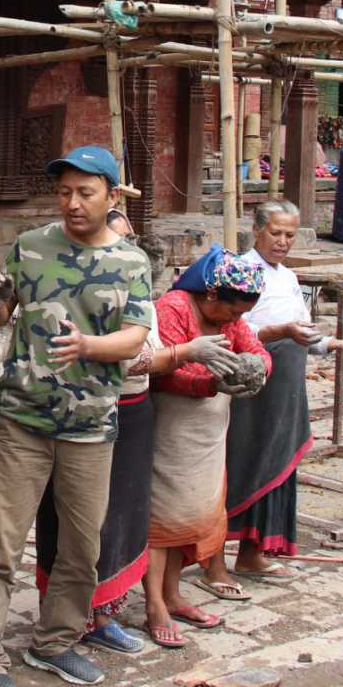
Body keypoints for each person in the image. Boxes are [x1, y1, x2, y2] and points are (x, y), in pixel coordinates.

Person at [0, 147, 153, 687]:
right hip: (22, 421)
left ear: (112, 196)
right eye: (65, 192)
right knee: (0, 544)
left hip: (91, 428)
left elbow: (137, 336)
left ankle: (54, 642)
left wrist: (91, 345)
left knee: (80, 547)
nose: (72, 203)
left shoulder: (131, 263)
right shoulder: (32, 245)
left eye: (85, 193)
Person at [31, 209, 159, 658]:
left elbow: (146, 345)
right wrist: (181, 354)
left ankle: (104, 614)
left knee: (120, 516)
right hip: (78, 414)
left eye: (125, 239)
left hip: (135, 412)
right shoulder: (62, 284)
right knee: (76, 523)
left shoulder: (136, 284)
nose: (119, 248)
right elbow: (133, 355)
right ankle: (67, 621)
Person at [224, 201, 343, 579]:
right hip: (256, 385)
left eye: (290, 235)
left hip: (288, 384)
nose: (283, 241)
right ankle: (223, 554)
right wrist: (280, 333)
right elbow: (231, 332)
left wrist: (336, 344)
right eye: (276, 233)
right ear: (257, 230)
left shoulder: (288, 278)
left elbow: (305, 331)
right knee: (250, 460)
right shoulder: (239, 270)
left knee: (280, 461)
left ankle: (255, 552)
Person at [144, 248, 269, 642]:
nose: (237, 321)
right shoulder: (174, 307)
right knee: (161, 519)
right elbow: (164, 370)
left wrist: (258, 369)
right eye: (233, 312)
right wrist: (210, 382)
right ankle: (155, 606)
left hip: (208, 437)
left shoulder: (232, 320)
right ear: (212, 296)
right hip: (171, 429)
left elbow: (259, 352)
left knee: (194, 512)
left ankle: (175, 594)